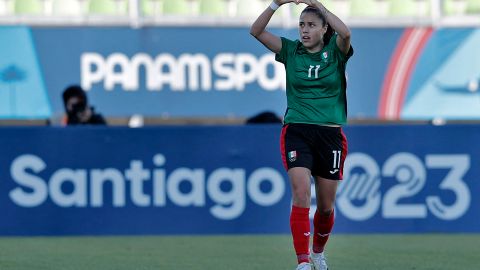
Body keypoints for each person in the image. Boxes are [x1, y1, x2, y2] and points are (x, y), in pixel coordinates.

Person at [250, 1, 353, 269]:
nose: (304, 31)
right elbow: (256, 31)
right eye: (301, 25)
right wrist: (276, 3)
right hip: (297, 130)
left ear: (323, 28)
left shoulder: (336, 51)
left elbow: (346, 34)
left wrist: (318, 4)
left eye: (311, 25)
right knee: (301, 193)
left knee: (327, 206)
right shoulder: (291, 50)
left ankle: (318, 252)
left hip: (330, 135)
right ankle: (303, 262)